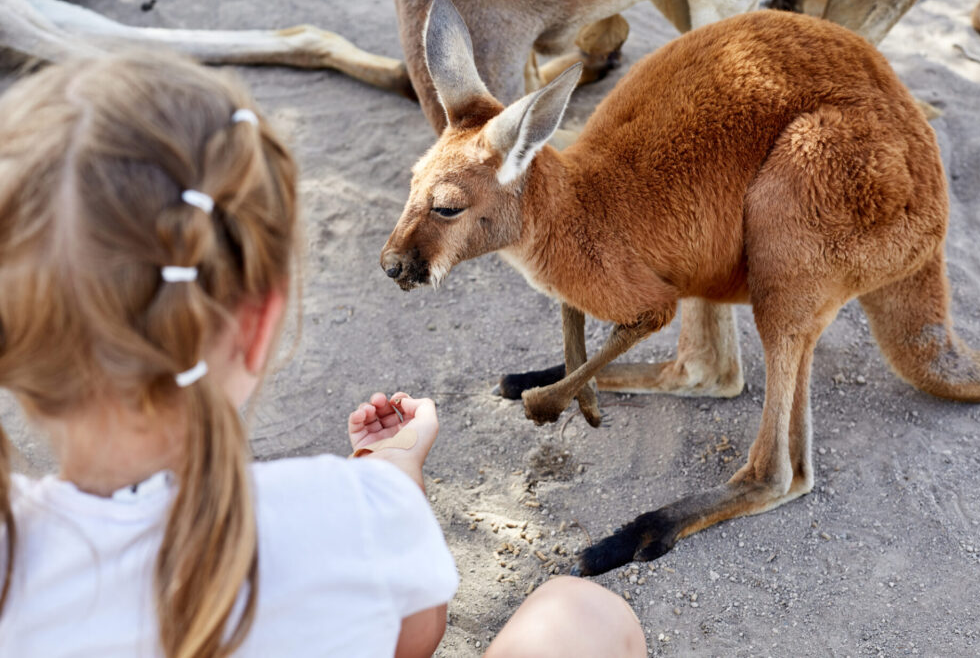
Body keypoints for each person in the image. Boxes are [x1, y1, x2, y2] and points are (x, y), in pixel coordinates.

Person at [0, 53, 645, 657]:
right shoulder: (337, 511)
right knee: (580, 614)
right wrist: (393, 470)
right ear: (258, 329)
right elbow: (416, 632)